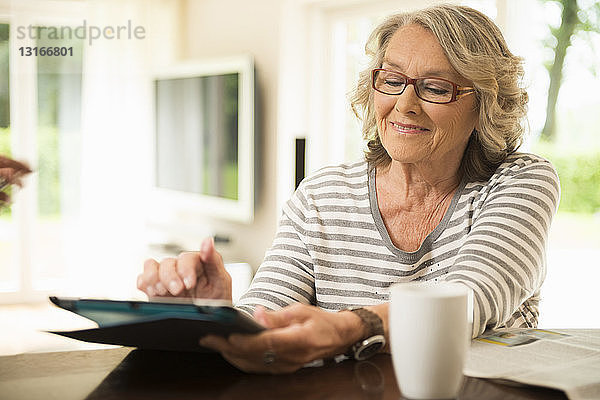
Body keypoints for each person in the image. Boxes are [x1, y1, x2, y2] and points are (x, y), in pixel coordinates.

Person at [137, 4, 560, 373]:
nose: (404, 104)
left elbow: (467, 302)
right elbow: (267, 314)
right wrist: (215, 317)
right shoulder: (322, 195)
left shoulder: (521, 182)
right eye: (392, 79)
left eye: (435, 88)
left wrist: (347, 327)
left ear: (486, 104)